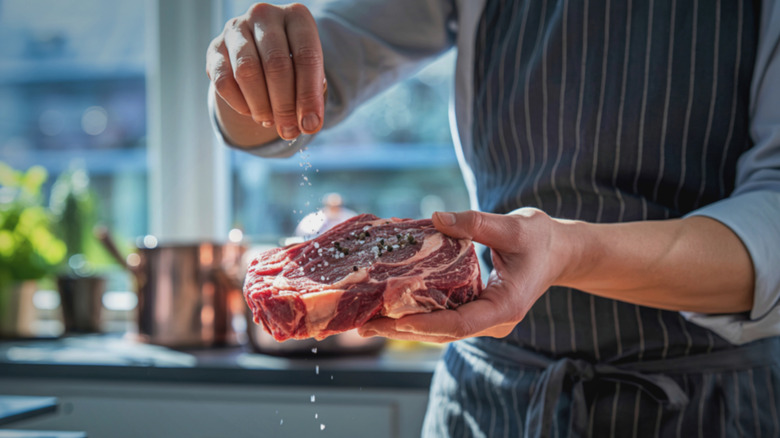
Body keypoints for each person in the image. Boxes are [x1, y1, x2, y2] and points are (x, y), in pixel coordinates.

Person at [206, 1, 780, 436]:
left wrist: (571, 251)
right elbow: (293, 97)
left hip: (710, 402)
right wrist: (248, 69)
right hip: (491, 400)